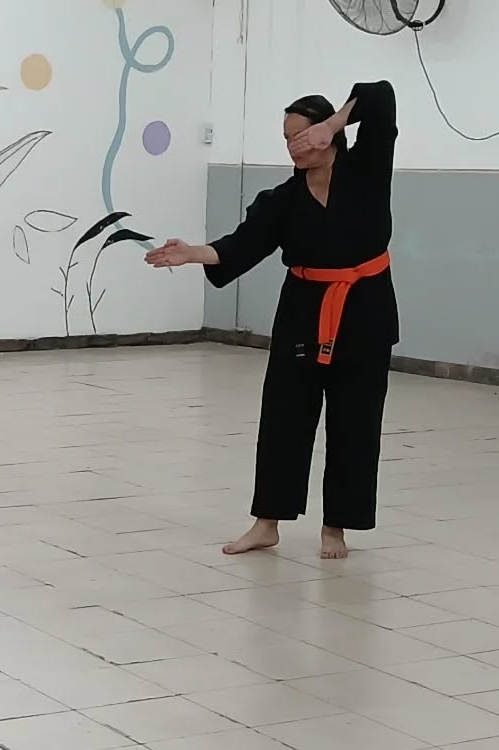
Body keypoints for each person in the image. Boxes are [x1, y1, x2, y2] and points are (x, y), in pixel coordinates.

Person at [146, 80, 397, 561]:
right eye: (286, 139)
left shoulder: (367, 169)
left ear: (327, 133)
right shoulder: (282, 199)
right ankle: (267, 523)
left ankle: (336, 528)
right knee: (284, 418)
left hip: (365, 311)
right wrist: (194, 253)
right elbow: (242, 245)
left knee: (356, 423)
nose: (293, 146)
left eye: (301, 135)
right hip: (302, 313)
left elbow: (381, 95)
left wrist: (334, 121)